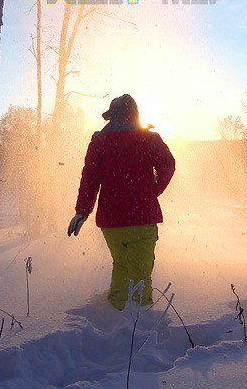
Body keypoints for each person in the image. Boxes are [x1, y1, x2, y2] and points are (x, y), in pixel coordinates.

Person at [68, 94, 176, 310]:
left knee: (121, 265)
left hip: (112, 221)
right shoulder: (149, 138)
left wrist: (82, 211)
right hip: (143, 219)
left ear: (112, 117)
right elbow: (168, 165)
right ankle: (140, 322)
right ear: (135, 115)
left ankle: (115, 314)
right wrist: (153, 190)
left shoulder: (99, 142)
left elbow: (89, 178)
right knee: (141, 274)